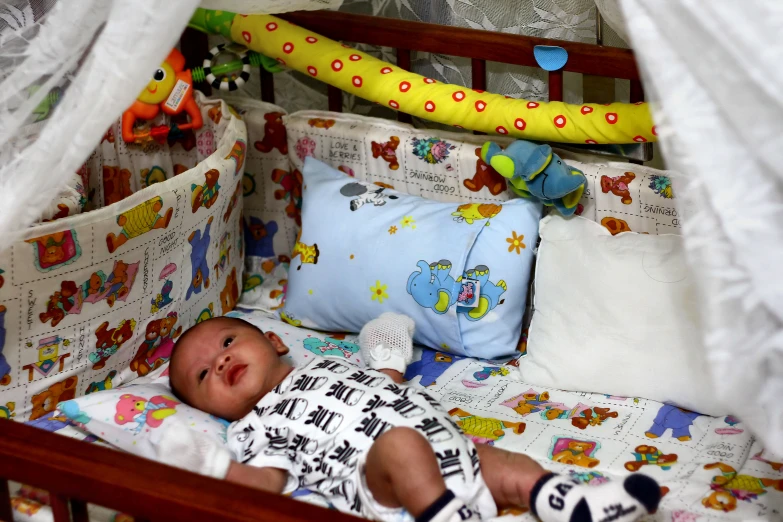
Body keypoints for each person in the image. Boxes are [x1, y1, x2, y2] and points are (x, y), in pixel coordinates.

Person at [167, 313, 660, 522]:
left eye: (228, 343)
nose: (222, 361)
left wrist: (387, 348)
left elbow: (385, 381)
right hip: (382, 481)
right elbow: (265, 481)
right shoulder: (256, 427)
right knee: (400, 443)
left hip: (451, 452)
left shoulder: (325, 364)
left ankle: (570, 503)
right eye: (204, 374)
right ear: (205, 408)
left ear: (274, 341)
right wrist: (211, 468)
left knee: (501, 462)